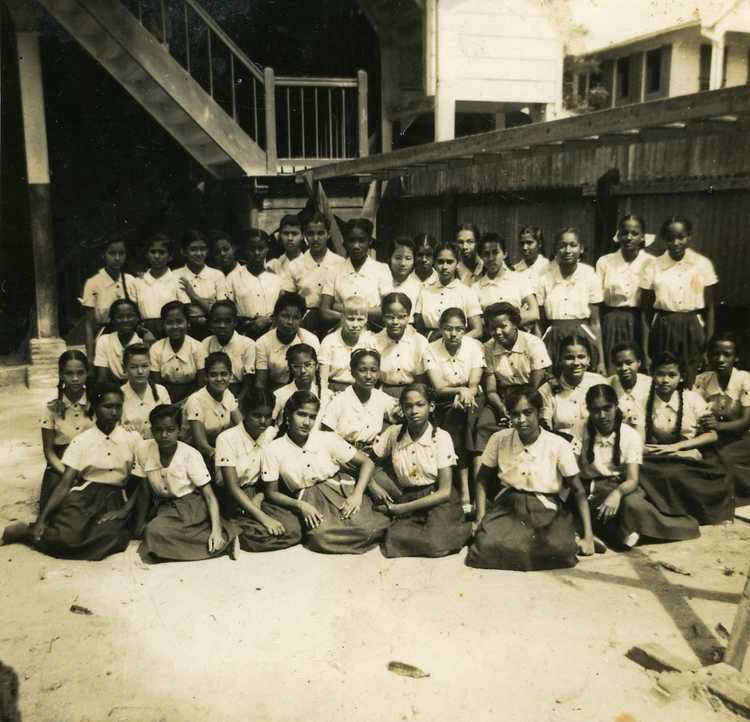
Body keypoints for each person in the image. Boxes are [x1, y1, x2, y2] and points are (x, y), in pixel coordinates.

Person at [2, 384, 140, 560]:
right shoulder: (82, 441)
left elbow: (142, 480)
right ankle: (26, 531)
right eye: (107, 406)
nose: (113, 412)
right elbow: (65, 483)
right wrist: (42, 520)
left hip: (115, 497)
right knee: (66, 539)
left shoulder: (132, 439)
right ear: (95, 407)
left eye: (118, 406)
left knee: (113, 538)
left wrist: (126, 510)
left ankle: (39, 534)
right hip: (85, 494)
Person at [466, 385, 595, 570]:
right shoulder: (499, 439)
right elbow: (481, 480)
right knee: (483, 549)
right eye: (515, 414)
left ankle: (575, 536)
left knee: (561, 551)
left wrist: (588, 536)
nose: (521, 420)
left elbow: (578, 491)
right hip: (508, 504)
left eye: (528, 413)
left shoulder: (557, 444)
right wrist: (480, 518)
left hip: (545, 506)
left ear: (539, 412)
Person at [261, 390, 390, 554]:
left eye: (312, 416)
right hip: (308, 498)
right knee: (320, 537)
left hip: (339, 489)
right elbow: (271, 493)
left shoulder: (326, 438)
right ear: (288, 414)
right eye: (301, 414)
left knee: (367, 527)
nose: (307, 422)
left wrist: (357, 495)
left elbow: (367, 462)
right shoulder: (273, 449)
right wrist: (300, 505)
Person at [580, 384, 699, 548]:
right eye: (595, 410)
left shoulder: (630, 435)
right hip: (590, 488)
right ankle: (613, 533)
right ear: (588, 410)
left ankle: (624, 532)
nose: (602, 415)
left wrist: (616, 494)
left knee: (632, 505)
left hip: (621, 486)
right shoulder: (580, 429)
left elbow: (632, 480)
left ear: (616, 406)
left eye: (607, 408)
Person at [372, 383, 471, 557]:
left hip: (437, 499)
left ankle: (467, 527)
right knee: (393, 540)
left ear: (431, 406)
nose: (414, 411)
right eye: (408, 406)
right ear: (402, 409)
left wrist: (402, 509)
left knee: (435, 542)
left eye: (420, 405)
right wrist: (373, 484)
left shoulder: (440, 437)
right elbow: (368, 462)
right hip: (408, 494)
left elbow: (445, 491)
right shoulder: (394, 434)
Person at [134, 404, 240, 561]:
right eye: (158, 430)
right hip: (164, 506)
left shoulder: (190, 454)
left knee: (154, 532)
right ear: (151, 430)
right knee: (149, 532)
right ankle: (218, 538)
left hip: (191, 505)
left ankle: (224, 536)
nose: (164, 435)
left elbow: (209, 496)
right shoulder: (143, 449)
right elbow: (143, 490)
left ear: (179, 430)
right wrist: (139, 523)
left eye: (170, 430)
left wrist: (216, 530)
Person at [637, 352, 733, 526]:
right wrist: (663, 451)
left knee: (716, 473)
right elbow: (639, 443)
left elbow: (712, 434)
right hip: (657, 455)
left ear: (681, 378)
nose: (665, 380)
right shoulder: (642, 402)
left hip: (689, 453)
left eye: (671, 375)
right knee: (648, 472)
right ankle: (667, 516)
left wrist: (681, 447)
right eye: (660, 374)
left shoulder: (691, 399)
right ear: (652, 374)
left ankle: (692, 511)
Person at [216, 389, 303, 551]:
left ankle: (239, 533)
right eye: (256, 415)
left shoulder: (270, 434)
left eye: (268, 416)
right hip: (230, 497)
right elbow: (232, 487)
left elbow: (269, 477)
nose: (263, 421)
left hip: (257, 493)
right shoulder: (227, 438)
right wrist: (263, 518)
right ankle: (232, 532)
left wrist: (259, 497)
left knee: (294, 529)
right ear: (244, 413)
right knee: (266, 526)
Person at [640, 216, 717, 386]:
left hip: (692, 328)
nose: (675, 242)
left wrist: (708, 347)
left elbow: (710, 308)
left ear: (689, 236)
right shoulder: (653, 265)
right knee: (664, 380)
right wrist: (645, 352)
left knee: (691, 379)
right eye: (670, 238)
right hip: (664, 327)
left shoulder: (702, 264)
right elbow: (645, 313)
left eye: (680, 237)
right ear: (664, 239)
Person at [423, 307, 485, 513]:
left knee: (473, 422)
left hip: (474, 398)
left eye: (459, 329)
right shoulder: (431, 349)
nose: (453, 334)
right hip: (445, 401)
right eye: (448, 329)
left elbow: (475, 383)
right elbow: (439, 387)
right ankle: (465, 491)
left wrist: (467, 393)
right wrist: (460, 391)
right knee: (455, 420)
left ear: (465, 329)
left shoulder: (474, 346)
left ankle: (477, 492)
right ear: (441, 328)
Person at [475, 302, 551, 453]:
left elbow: (534, 385)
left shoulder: (533, 343)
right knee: (483, 426)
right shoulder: (487, 348)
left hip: (533, 394)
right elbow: (490, 390)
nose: (497, 332)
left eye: (503, 326)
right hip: (501, 397)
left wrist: (517, 408)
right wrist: (503, 408)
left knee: (535, 425)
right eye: (492, 328)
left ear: (515, 323)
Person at [537, 227, 605, 373]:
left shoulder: (590, 276)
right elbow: (540, 323)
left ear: (581, 249)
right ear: (555, 250)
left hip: (582, 338)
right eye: (562, 246)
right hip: (553, 339)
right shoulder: (544, 279)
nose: (568, 250)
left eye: (573, 245)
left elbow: (595, 322)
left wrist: (601, 361)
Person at [694, 333, 750, 502]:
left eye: (727, 354)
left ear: (736, 357)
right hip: (713, 439)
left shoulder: (745, 379)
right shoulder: (703, 379)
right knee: (706, 462)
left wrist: (718, 426)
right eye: (715, 354)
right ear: (708, 356)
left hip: (742, 438)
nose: (720, 359)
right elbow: (696, 412)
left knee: (724, 461)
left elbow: (746, 421)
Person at [38, 351, 95, 510]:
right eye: (69, 373)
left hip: (91, 462)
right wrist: (67, 474)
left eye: (80, 373)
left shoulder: (96, 404)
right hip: (60, 464)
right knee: (55, 507)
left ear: (87, 373)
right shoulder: (51, 408)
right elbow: (49, 452)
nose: (75, 378)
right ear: (61, 375)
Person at [596, 215, 652, 374]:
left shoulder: (650, 262)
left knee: (637, 370)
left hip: (639, 324)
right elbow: (597, 302)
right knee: (613, 369)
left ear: (642, 237)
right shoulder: (605, 261)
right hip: (611, 322)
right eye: (625, 232)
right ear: (618, 235)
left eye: (634, 233)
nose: (629, 237)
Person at [539, 334, 609, 450]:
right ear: (560, 360)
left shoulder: (599, 383)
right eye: (569, 358)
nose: (576, 363)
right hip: (562, 449)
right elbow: (546, 431)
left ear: (589, 360)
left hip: (598, 448)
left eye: (581, 357)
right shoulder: (546, 390)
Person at [319, 218, 391, 329]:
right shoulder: (334, 270)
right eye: (352, 240)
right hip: (340, 329)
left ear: (370, 241)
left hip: (373, 331)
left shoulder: (382, 269)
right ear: (345, 242)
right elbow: (324, 311)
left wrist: (340, 308)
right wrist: (354, 318)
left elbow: (387, 311)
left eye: (361, 241)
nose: (356, 246)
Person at [282, 212, 345, 337]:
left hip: (333, 319)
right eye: (311, 234)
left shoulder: (340, 262)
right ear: (305, 235)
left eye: (320, 233)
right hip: (304, 321)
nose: (315, 239)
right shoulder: (295, 265)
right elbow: (289, 300)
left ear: (328, 234)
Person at [321, 349, 397, 450]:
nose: (369, 376)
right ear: (352, 372)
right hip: (343, 454)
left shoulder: (381, 398)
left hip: (372, 454)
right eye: (362, 370)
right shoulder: (339, 400)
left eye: (374, 370)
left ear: (379, 372)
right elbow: (326, 434)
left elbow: (400, 412)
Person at [81, 234, 139, 360]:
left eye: (121, 253)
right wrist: (90, 358)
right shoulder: (93, 283)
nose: (117, 258)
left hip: (129, 338)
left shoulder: (131, 281)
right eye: (112, 253)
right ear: (103, 255)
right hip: (104, 338)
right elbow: (89, 325)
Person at [414, 242, 483, 340]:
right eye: (440, 262)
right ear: (435, 262)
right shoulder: (425, 291)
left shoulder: (467, 292)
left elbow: (478, 330)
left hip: (459, 346)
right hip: (430, 344)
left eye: (449, 262)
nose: (444, 267)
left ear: (457, 263)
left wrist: (454, 340)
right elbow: (418, 329)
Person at [182, 352, 241, 466]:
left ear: (231, 375)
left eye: (224, 374)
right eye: (213, 375)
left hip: (219, 450)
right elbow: (201, 444)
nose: (219, 379)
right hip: (195, 455)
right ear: (206, 377)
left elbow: (241, 426)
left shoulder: (227, 394)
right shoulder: (195, 400)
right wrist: (223, 458)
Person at [254, 292, 320, 391]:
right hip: (273, 392)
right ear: (275, 317)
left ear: (301, 319)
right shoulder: (263, 342)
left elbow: (314, 379)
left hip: (303, 391)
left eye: (296, 317)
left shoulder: (310, 340)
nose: (290, 322)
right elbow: (260, 383)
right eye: (285, 316)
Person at [225, 229, 283, 339]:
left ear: (267, 249)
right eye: (252, 249)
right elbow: (228, 310)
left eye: (261, 248)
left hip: (272, 333)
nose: (257, 253)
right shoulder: (233, 278)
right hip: (243, 333)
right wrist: (249, 324)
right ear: (245, 250)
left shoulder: (276, 279)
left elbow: (282, 309)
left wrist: (268, 320)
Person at [372, 292, 428, 398]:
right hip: (382, 394)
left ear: (408, 317)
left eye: (401, 317)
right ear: (383, 316)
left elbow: (421, 382)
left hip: (413, 395)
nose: (395, 322)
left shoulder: (419, 342)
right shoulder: (373, 342)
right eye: (390, 317)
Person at [319, 295, 376, 400]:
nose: (355, 324)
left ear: (366, 319)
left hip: (360, 391)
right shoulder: (329, 341)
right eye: (350, 319)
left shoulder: (369, 341)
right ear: (342, 317)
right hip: (333, 391)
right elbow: (323, 381)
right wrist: (327, 396)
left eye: (360, 319)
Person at [476, 233, 539, 325]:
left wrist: (504, 324)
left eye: (495, 252)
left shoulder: (520, 279)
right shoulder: (476, 288)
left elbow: (534, 314)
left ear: (505, 253)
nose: (491, 258)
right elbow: (476, 323)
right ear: (481, 257)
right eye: (486, 254)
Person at [149, 301, 206, 403]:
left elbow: (201, 384)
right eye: (169, 323)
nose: (175, 326)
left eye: (179, 322)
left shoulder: (198, 347)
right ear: (163, 325)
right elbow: (157, 385)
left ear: (188, 323)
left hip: (193, 397)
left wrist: (188, 403)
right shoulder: (156, 349)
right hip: (165, 397)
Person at [174, 229, 226, 340]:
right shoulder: (175, 276)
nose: (199, 253)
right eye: (193, 249)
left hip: (213, 330)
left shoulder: (217, 275)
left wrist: (195, 298)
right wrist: (208, 303)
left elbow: (220, 311)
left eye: (202, 249)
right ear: (183, 252)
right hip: (184, 331)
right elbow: (183, 310)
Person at [201, 300, 255, 400]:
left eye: (227, 321)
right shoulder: (206, 343)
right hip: (212, 391)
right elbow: (204, 377)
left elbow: (248, 382)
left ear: (235, 322)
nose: (222, 325)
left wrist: (238, 401)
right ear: (211, 323)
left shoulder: (248, 344)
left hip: (239, 392)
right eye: (217, 321)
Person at [134, 232, 180, 338]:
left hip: (172, 330)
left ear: (170, 256)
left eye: (161, 252)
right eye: (153, 252)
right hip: (145, 333)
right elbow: (133, 313)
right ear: (147, 254)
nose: (157, 256)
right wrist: (143, 332)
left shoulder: (176, 280)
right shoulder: (138, 282)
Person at [120, 343, 171, 439]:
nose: (140, 371)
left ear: (150, 365)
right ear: (124, 368)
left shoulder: (161, 391)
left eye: (144, 366)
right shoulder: (119, 395)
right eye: (133, 367)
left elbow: (168, 423)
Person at [608, 342, 652, 440]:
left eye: (629, 363)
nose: (624, 368)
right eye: (619, 364)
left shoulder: (650, 385)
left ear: (639, 363)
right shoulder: (608, 385)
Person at [94, 299, 142, 383]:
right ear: (112, 320)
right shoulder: (104, 341)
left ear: (137, 318)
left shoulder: (142, 341)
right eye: (120, 317)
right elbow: (102, 378)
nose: (125, 320)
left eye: (130, 316)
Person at [272, 343, 321, 423]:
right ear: (290, 368)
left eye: (308, 365)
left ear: (316, 366)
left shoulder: (325, 395)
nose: (303, 371)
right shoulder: (279, 395)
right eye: (297, 366)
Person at [379, 236, 422, 317]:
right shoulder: (381, 282)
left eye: (408, 258)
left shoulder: (419, 287)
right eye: (398, 258)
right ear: (389, 259)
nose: (403, 263)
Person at [267, 214, 305, 278]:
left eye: (294, 234)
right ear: (280, 235)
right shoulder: (273, 266)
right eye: (286, 233)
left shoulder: (309, 264)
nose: (290, 238)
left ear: (302, 236)